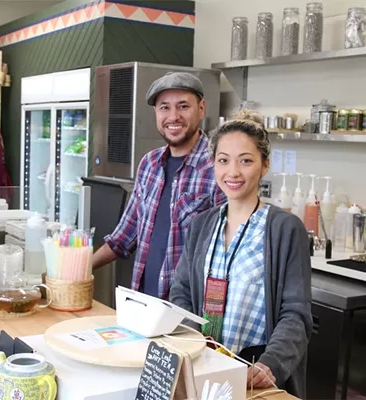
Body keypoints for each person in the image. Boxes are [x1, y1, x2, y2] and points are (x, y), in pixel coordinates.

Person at [169, 110, 312, 398]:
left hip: (254, 375)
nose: (232, 172)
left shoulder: (285, 229)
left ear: (264, 165)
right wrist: (195, 341)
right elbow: (181, 291)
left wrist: (270, 365)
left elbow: (295, 314)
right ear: (214, 164)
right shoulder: (202, 224)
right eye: (223, 160)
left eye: (245, 161)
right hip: (204, 368)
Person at [93, 72, 226, 299]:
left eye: (183, 106)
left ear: (201, 108)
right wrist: (75, 270)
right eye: (164, 107)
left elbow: (227, 255)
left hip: (188, 313)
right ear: (156, 112)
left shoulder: (219, 167)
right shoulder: (149, 164)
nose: (173, 116)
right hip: (142, 305)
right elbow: (123, 238)